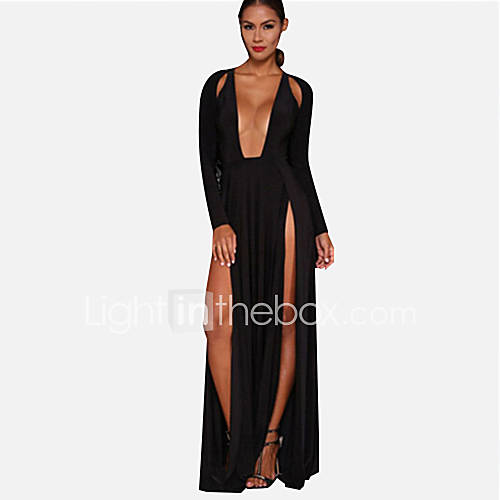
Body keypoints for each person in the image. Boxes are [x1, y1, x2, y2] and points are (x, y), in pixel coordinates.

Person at [198, 0, 334, 492]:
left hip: (287, 211)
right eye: (248, 26)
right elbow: (207, 159)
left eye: (268, 26)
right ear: (239, 28)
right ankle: (242, 437)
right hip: (234, 211)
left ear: (284, 27)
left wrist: (320, 227)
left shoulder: (298, 91)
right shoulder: (217, 85)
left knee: (285, 323)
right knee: (218, 325)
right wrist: (219, 222)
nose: (257, 36)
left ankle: (270, 441)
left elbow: (299, 163)